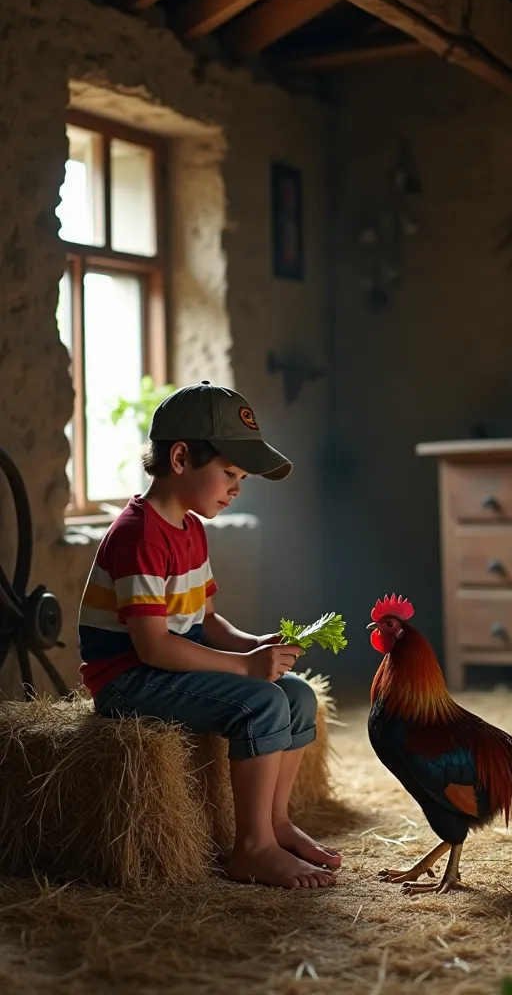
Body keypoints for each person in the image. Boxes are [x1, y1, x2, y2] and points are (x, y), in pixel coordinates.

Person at [78, 380, 340, 890]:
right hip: (129, 678)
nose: (237, 488)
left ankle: (276, 823)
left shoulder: (192, 527)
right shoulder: (138, 535)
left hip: (168, 665)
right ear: (180, 457)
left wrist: (254, 647)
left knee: (299, 696)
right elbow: (152, 645)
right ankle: (252, 848)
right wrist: (244, 669)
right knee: (261, 703)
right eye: (229, 474)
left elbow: (207, 622)